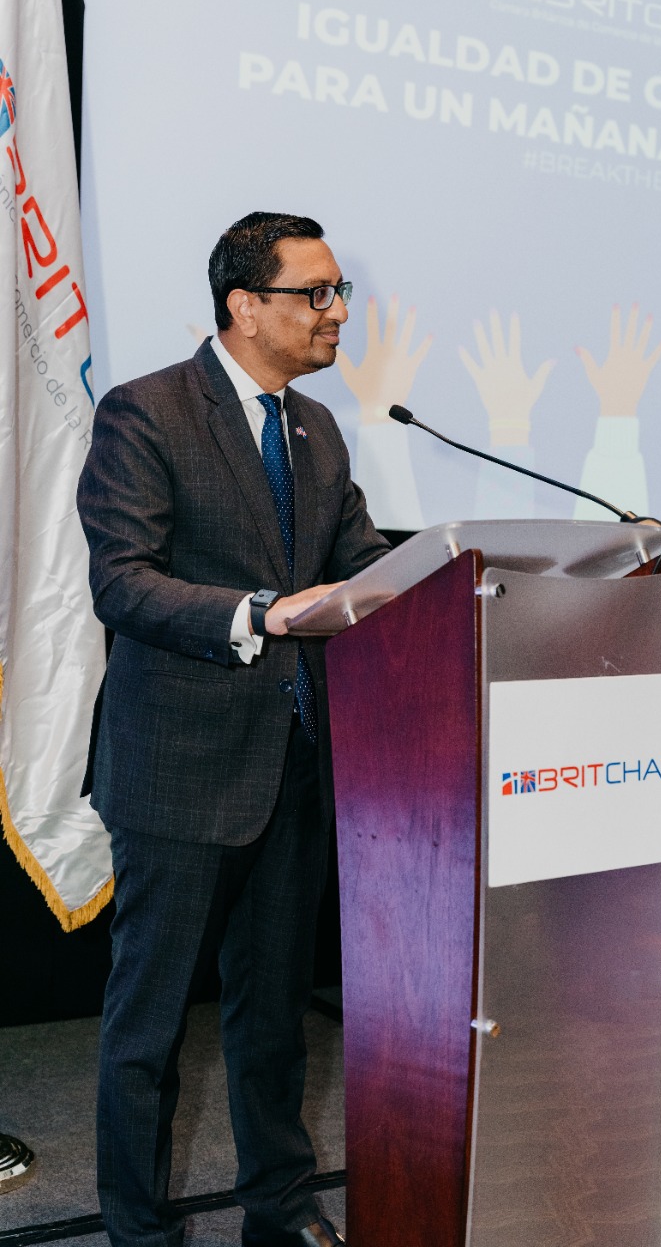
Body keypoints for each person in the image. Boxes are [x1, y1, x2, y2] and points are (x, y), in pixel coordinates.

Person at [77, 212, 390, 1247]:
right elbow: (122, 581)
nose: (337, 312)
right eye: (317, 293)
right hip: (178, 767)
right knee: (150, 1025)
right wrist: (257, 612)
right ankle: (138, 1229)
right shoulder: (147, 412)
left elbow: (360, 570)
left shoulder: (317, 429)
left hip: (292, 762)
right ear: (244, 305)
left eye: (339, 291)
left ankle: (279, 1207)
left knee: (273, 1015)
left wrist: (460, 566)